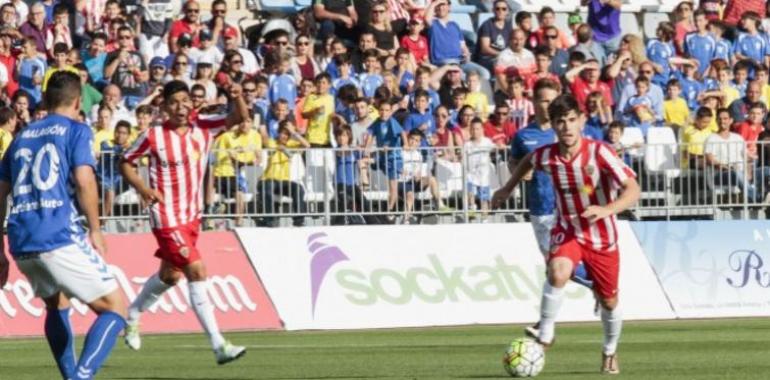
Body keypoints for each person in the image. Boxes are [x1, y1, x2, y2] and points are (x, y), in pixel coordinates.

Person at [492, 94, 640, 375]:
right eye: (561, 122)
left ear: (581, 120)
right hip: (568, 230)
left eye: (572, 120)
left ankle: (609, 352)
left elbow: (633, 189)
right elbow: (528, 161)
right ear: (555, 126)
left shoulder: (600, 152)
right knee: (558, 271)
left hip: (602, 237)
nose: (567, 127)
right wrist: (507, 188)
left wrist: (608, 209)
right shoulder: (548, 155)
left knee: (609, 301)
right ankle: (546, 333)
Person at [0, 71, 127, 380]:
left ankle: (71, 375)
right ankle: (81, 377)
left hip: (22, 240)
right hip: (56, 233)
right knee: (116, 309)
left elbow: (0, 193)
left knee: (57, 304)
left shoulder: (19, 138)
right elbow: (84, 179)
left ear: (45, 99)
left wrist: (0, 250)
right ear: (77, 100)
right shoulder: (76, 130)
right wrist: (95, 228)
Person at [118, 80, 249, 364]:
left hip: (192, 217)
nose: (180, 107)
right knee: (197, 270)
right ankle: (219, 345)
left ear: (191, 102)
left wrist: (236, 96)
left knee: (170, 276)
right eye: (174, 102)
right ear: (164, 106)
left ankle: (133, 314)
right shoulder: (153, 136)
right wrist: (142, 188)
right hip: (165, 216)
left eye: (185, 100)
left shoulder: (204, 128)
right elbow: (125, 160)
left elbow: (239, 117)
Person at [464, 117, 495, 220]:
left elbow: (495, 148)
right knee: (470, 193)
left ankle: (484, 217)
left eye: (477, 129)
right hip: (471, 174)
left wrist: (500, 146)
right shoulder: (467, 144)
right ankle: (472, 209)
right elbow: (463, 158)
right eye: (472, 129)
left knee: (484, 198)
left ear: (482, 130)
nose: (475, 131)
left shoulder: (487, 142)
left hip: (483, 176)